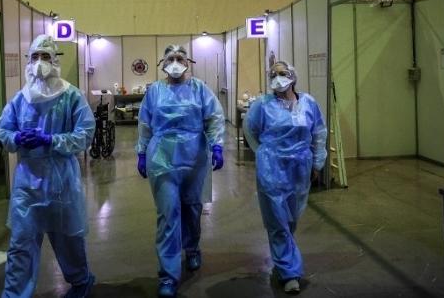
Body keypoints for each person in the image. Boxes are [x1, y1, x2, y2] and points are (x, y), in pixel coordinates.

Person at [0, 35, 96, 298]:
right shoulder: (21, 99)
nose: (40, 62)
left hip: (61, 179)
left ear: (55, 61)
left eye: (45, 56)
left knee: (68, 238)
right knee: (21, 243)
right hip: (27, 181)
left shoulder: (71, 96)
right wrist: (16, 138)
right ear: (28, 61)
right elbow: (3, 129)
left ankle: (81, 280)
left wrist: (51, 140)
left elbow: (85, 134)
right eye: (35, 56)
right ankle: (15, 294)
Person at [136, 44, 226, 298]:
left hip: (194, 157)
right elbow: (145, 122)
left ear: (188, 62)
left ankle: (193, 247)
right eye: (170, 58)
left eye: (180, 58)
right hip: (162, 158)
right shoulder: (154, 92)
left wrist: (217, 145)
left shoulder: (199, 89)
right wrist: (142, 152)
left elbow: (214, 118)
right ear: (163, 64)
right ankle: (168, 274)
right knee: (168, 213)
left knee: (192, 207)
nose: (175, 62)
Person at [243, 61, 327, 295]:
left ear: (293, 76)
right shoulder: (262, 105)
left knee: (291, 220)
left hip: (300, 168)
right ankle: (290, 272)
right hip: (272, 167)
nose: (277, 78)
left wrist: (318, 162)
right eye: (273, 74)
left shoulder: (308, 103)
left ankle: (282, 261)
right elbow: (249, 129)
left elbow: (319, 133)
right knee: (277, 221)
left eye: (282, 73)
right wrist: (262, 152)